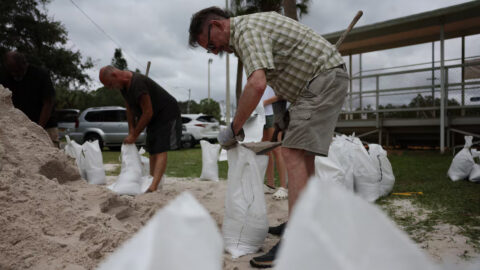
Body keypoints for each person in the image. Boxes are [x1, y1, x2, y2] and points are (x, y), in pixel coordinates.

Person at [189, 7, 348, 268]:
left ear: (217, 25)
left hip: (323, 79)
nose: (215, 51)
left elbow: (257, 84)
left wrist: (233, 128)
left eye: (211, 44)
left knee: (292, 153)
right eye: (210, 50)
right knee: (302, 154)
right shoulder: (247, 32)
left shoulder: (246, 31)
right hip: (316, 83)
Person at [99, 66, 182, 192]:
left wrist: (135, 135)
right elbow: (129, 108)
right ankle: (151, 181)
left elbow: (148, 112)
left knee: (160, 148)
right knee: (152, 148)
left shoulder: (137, 83)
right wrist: (131, 130)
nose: (111, 88)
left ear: (115, 75)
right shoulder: (124, 87)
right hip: (154, 116)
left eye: (110, 84)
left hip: (166, 113)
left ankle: (153, 186)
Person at [0, 51, 59, 147]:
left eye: (17, 70)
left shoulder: (40, 75)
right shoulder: (5, 77)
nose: (14, 74)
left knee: (51, 155)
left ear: (24, 64)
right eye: (11, 71)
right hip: (19, 129)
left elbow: (48, 103)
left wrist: (38, 129)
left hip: (46, 127)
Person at [260, 85, 288, 200]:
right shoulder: (261, 75)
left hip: (274, 114)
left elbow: (283, 94)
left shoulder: (276, 74)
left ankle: (283, 187)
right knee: (266, 150)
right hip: (262, 115)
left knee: (277, 150)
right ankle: (270, 185)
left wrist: (264, 102)